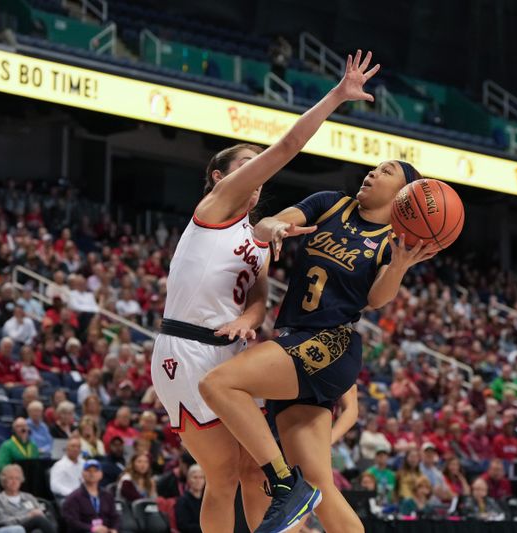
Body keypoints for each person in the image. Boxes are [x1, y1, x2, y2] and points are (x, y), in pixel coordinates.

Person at [199, 58, 438, 531]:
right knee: (320, 483)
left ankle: (287, 486)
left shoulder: (394, 241)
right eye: (373, 168)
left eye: (385, 171)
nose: (372, 173)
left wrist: (402, 268)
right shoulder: (331, 203)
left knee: (220, 384)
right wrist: (275, 226)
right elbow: (267, 222)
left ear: (404, 193)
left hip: (328, 344)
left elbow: (376, 301)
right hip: (294, 340)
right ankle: (298, 488)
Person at [151, 49, 381, 533]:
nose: (258, 173)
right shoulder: (215, 208)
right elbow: (287, 147)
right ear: (221, 176)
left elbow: (257, 301)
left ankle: (282, 496)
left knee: (252, 472)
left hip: (230, 353)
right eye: (246, 165)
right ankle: (289, 485)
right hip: (187, 347)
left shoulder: (256, 238)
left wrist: (248, 321)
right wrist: (337, 96)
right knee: (222, 475)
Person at [0, 464, 56, 533]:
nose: (14, 482)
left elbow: (40, 513)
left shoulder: (28, 497)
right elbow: (3, 521)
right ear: (4, 481)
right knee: (38, 520)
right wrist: (28, 516)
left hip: (32, 526)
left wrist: (38, 514)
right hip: (12, 528)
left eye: (17, 478)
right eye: (11, 478)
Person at [61, 460, 118, 533]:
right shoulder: (73, 498)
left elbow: (115, 516)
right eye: (88, 471)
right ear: (83, 473)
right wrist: (92, 529)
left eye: (95, 471)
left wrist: (114, 529)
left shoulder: (108, 495)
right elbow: (72, 522)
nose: (92, 474)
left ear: (101, 474)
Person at [50, 436, 84, 502]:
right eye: (73, 446)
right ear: (67, 448)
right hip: (67, 498)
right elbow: (54, 486)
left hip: (83, 496)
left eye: (78, 447)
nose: (76, 449)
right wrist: (72, 494)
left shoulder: (84, 463)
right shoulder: (59, 465)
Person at [175, 464, 205, 533]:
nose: (198, 480)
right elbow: (183, 526)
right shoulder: (183, 501)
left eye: (201, 477)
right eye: (195, 477)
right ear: (188, 479)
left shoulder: (206, 501)